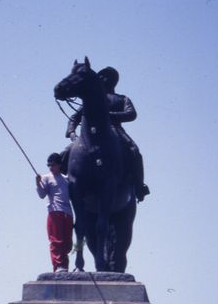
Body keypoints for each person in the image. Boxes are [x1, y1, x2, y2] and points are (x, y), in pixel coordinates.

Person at [65, 65, 150, 202]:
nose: (102, 78)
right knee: (68, 151)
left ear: (112, 80)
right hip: (91, 134)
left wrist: (108, 115)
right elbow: (75, 117)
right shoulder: (92, 99)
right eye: (101, 76)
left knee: (134, 151)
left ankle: (139, 187)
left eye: (105, 76)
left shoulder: (122, 98)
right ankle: (66, 181)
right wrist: (71, 132)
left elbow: (131, 114)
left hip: (116, 130)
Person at [36, 153, 74, 273]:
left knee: (67, 243)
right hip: (55, 211)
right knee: (57, 240)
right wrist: (38, 183)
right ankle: (58, 266)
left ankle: (64, 268)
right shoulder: (46, 177)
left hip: (67, 213)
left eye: (53, 165)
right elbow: (42, 195)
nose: (51, 168)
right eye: (49, 165)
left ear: (59, 165)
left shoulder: (66, 179)